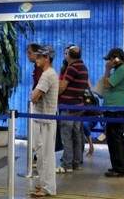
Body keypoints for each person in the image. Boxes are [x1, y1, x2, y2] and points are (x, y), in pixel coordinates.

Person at [30, 46, 58, 197]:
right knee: (41, 155)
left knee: (46, 155)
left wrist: (32, 95)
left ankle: (48, 188)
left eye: (40, 57)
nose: (37, 59)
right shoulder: (48, 74)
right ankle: (43, 184)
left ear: (47, 58)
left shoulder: (47, 75)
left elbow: (34, 97)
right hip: (43, 120)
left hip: (45, 121)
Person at [57, 45, 89, 173]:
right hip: (79, 106)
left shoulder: (71, 68)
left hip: (68, 106)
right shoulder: (84, 68)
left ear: (69, 55)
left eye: (66, 54)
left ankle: (67, 164)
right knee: (77, 135)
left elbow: (62, 87)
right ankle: (77, 163)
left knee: (67, 136)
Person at [103, 48, 124, 177]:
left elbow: (107, 84)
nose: (109, 62)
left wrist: (107, 70)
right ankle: (117, 166)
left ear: (116, 58)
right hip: (113, 108)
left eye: (110, 59)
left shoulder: (122, 70)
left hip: (117, 109)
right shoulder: (121, 69)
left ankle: (120, 168)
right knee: (113, 138)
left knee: (116, 139)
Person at [27, 43, 43, 166]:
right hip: (37, 103)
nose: (28, 55)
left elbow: (40, 86)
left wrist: (35, 98)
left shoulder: (40, 68)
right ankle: (37, 157)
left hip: (40, 106)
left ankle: (39, 158)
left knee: (39, 134)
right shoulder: (36, 67)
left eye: (29, 53)